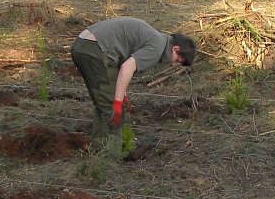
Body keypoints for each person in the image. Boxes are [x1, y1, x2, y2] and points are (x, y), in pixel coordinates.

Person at [70, 17, 196, 147]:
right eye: (178, 60)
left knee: (102, 104)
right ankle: (110, 153)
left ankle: (99, 149)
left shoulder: (156, 39)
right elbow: (126, 68)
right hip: (94, 50)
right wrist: (118, 102)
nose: (174, 64)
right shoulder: (157, 48)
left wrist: (123, 96)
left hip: (82, 45)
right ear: (175, 48)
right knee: (112, 109)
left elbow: (119, 67)